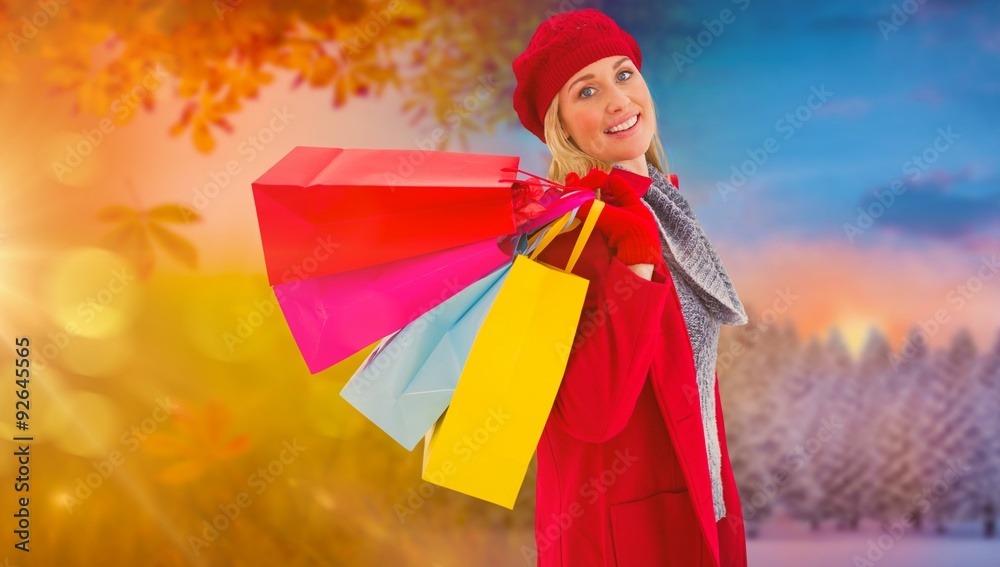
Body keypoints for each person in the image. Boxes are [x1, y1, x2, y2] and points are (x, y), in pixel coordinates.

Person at [511, 8, 751, 567]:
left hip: (697, 504)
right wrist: (635, 261)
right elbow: (590, 413)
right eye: (586, 90)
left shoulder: (659, 209)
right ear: (562, 126)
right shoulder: (570, 236)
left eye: (623, 75)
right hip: (620, 533)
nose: (617, 100)